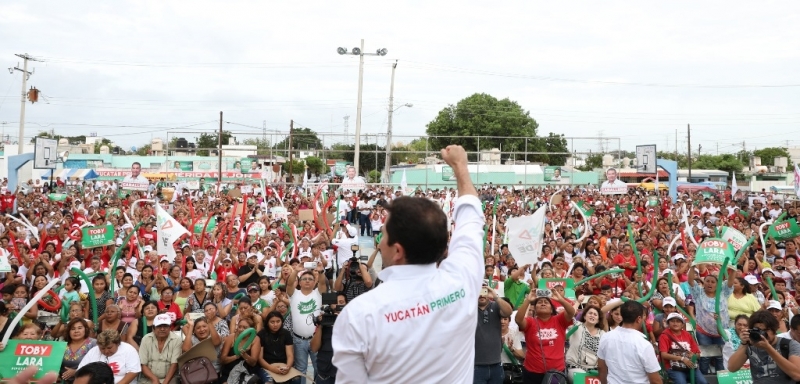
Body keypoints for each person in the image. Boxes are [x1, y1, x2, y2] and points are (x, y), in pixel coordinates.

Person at [332, 145, 485, 383]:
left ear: (398, 251)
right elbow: (471, 221)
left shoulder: (360, 315)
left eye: (383, 234)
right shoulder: (463, 280)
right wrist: (461, 168)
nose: (379, 242)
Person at [515, 288, 575, 384]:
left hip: (557, 371)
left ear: (552, 309)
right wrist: (528, 300)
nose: (543, 303)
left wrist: (560, 299)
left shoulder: (559, 320)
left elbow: (571, 312)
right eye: (539, 302)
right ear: (535, 308)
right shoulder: (530, 322)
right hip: (532, 372)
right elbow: (518, 320)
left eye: (546, 302)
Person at [597, 301, 662, 384]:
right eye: (643, 317)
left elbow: (601, 368)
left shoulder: (606, 337)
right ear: (639, 319)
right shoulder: (644, 345)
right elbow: (655, 380)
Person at [728, 309, 800, 383]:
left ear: (774, 329)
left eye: (766, 330)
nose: (762, 334)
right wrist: (744, 344)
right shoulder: (751, 344)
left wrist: (768, 348)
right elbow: (732, 368)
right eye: (758, 330)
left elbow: (797, 375)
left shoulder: (789, 345)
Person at [688, 264, 735, 374]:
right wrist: (692, 267)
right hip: (704, 332)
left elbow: (730, 282)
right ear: (703, 283)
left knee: (721, 357)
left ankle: (721, 378)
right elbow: (690, 281)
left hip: (722, 331)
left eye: (713, 282)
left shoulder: (723, 292)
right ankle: (704, 378)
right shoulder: (699, 293)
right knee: (705, 357)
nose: (710, 283)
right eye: (707, 281)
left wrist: (733, 269)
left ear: (718, 284)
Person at [286, 266, 326, 384]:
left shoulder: (318, 294)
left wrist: (321, 272)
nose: (307, 280)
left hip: (316, 339)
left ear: (315, 282)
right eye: (304, 278)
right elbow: (289, 284)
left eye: (310, 278)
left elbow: (323, 283)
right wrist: (296, 271)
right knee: (300, 370)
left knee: (318, 369)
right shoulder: (294, 294)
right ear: (299, 282)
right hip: (299, 340)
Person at [474, 284, 513, 384]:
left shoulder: (495, 306)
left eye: (484, 291)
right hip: (475, 366)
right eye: (479, 291)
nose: (481, 295)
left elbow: (508, 312)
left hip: (496, 365)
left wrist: (496, 296)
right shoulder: (469, 308)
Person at [658, 313, 706, 384]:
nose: (675, 323)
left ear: (682, 324)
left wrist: (693, 355)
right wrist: (682, 359)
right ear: (668, 323)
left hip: (689, 365)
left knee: (702, 382)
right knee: (681, 382)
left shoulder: (687, 334)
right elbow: (663, 355)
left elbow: (698, 353)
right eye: (672, 321)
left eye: (678, 321)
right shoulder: (664, 335)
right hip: (673, 367)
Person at [566, 305, 605, 382]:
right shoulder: (577, 325)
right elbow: (569, 314)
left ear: (598, 320)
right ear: (584, 316)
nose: (592, 315)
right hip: (575, 368)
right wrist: (578, 302)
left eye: (595, 314)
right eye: (590, 313)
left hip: (595, 371)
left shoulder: (602, 334)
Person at [138, 314, 182, 384]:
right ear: (153, 328)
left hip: (170, 379)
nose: (162, 329)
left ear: (170, 327)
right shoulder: (146, 339)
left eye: (165, 326)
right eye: (159, 326)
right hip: (149, 378)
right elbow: (143, 364)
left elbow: (174, 364)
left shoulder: (176, 340)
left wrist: (165, 382)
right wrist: (154, 379)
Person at [60, 318, 98, 383]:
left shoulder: (93, 343)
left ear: (85, 330)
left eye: (80, 328)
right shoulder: (63, 344)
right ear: (69, 331)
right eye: (73, 329)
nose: (76, 331)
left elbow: (97, 366)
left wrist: (76, 372)